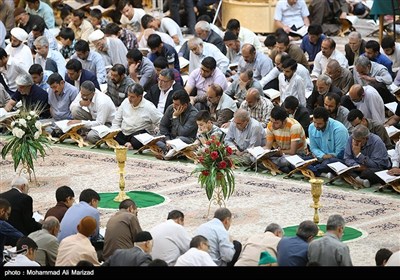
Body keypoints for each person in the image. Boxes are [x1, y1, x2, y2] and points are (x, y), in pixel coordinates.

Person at [111, 83, 163, 150]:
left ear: (140, 97)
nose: (129, 99)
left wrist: (156, 132)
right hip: (125, 132)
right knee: (110, 136)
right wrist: (114, 132)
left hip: (139, 133)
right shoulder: (125, 102)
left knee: (138, 140)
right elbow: (117, 121)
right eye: (128, 96)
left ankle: (130, 144)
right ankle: (127, 144)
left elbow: (161, 121)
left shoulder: (149, 107)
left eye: (132, 97)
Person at [0, 176, 42, 246]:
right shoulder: (25, 198)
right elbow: (29, 223)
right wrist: (41, 225)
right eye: (28, 188)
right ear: (23, 186)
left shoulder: (1, 196)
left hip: (3, 237)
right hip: (20, 238)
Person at [308, 107, 349, 177]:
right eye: (314, 122)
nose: (316, 126)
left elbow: (340, 154)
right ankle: (321, 173)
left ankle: (314, 170)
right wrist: (322, 155)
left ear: (327, 121)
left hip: (335, 160)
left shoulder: (339, 130)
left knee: (326, 163)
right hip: (320, 158)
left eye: (319, 124)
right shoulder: (312, 127)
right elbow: (313, 148)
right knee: (300, 162)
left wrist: (326, 156)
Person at [265, 106, 307, 173]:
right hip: (280, 154)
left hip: (297, 154)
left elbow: (292, 151)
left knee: (284, 161)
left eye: (276, 123)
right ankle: (282, 168)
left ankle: (274, 166)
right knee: (255, 158)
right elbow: (268, 147)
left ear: (284, 122)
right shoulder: (270, 125)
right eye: (271, 121)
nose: (272, 125)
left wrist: (280, 152)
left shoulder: (294, 126)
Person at [0, 198, 23, 264]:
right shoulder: (2, 224)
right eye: (8, 214)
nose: (7, 218)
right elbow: (21, 237)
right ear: (2, 211)